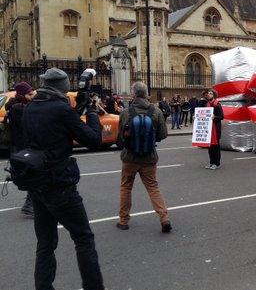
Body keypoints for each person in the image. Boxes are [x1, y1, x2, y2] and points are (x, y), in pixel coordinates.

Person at [22, 68, 105, 290]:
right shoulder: (60, 110)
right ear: (62, 87)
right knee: (83, 238)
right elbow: (94, 140)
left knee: (46, 242)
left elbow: (59, 126)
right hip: (59, 184)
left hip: (37, 184)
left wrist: (77, 109)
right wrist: (93, 111)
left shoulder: (31, 108)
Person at [116, 82, 171, 233]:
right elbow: (163, 134)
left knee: (126, 187)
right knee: (153, 187)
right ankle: (164, 218)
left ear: (133, 95)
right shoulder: (156, 111)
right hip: (149, 157)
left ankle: (123, 220)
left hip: (129, 158)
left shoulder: (126, 112)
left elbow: (120, 136)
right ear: (147, 94)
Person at [6, 82, 36, 216]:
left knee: (33, 176)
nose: (32, 97)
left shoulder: (17, 106)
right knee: (33, 176)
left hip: (23, 146)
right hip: (24, 147)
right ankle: (29, 205)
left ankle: (31, 203)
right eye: (30, 94)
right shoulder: (18, 108)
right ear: (21, 95)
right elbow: (26, 128)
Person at [204, 89, 224, 169]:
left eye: (210, 93)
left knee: (215, 147)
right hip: (209, 130)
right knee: (210, 147)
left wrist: (215, 117)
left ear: (214, 95)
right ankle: (211, 162)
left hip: (215, 130)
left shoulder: (217, 105)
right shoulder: (207, 105)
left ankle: (216, 163)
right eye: (208, 93)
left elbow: (222, 116)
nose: (208, 95)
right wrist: (197, 117)